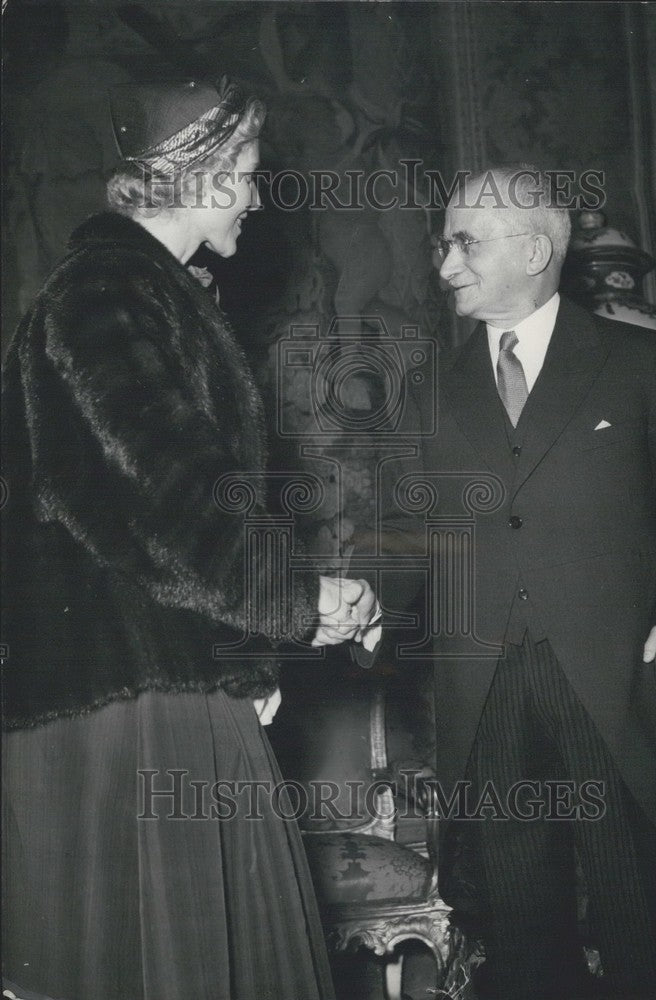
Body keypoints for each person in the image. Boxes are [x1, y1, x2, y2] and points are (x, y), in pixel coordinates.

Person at [1, 77, 378, 1000]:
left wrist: (258, 650)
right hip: (125, 698)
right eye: (247, 173)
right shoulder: (110, 288)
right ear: (200, 176)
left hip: (153, 677)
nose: (255, 195)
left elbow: (144, 517)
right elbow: (172, 490)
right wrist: (295, 602)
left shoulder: (140, 289)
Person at [409, 165, 656, 999]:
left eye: (464, 243)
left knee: (637, 909)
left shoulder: (638, 362)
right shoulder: (430, 389)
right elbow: (413, 540)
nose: (445, 265)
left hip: (610, 678)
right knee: (517, 924)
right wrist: (349, 608)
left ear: (533, 248)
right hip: (485, 688)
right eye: (444, 244)